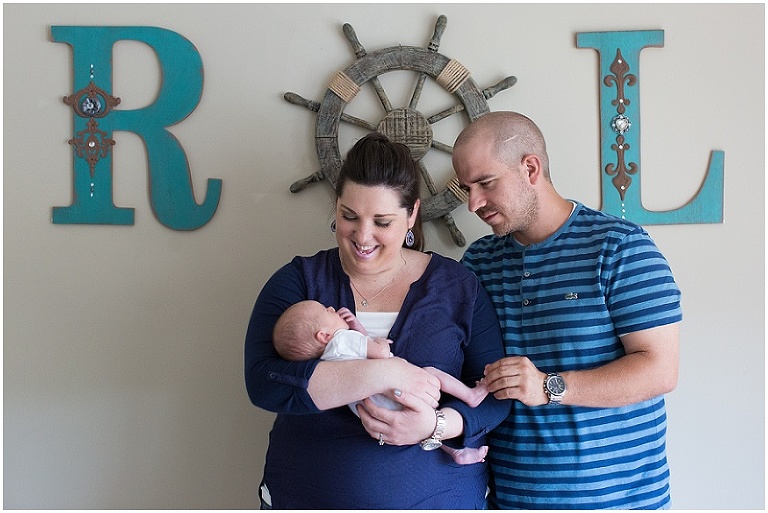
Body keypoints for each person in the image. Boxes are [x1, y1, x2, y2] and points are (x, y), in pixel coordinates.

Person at [244, 132, 511, 509]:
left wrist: (435, 425)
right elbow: (264, 383)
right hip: (306, 495)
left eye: (382, 222)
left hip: (439, 498)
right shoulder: (299, 282)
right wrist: (387, 374)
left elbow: (495, 396)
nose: (362, 236)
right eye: (349, 216)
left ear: (411, 215)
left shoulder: (457, 287)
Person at [452, 111, 682, 509]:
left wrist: (548, 387)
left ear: (530, 168)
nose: (473, 204)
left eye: (485, 183)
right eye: (466, 188)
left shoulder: (619, 248)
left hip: (619, 502)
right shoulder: (478, 262)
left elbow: (660, 370)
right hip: (511, 501)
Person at [272, 299, 491, 465]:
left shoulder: (328, 359)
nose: (331, 308)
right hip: (400, 393)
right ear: (323, 336)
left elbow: (360, 349)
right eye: (325, 311)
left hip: (378, 413)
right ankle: (470, 395)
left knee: (420, 428)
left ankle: (455, 452)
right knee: (432, 372)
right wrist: (380, 344)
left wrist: (356, 326)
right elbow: (377, 352)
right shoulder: (340, 340)